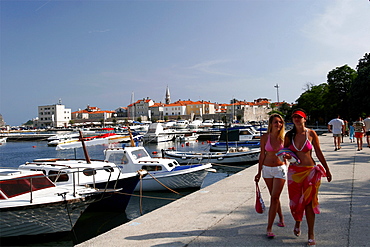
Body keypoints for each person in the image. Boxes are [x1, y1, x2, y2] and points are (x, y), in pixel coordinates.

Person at [284, 109, 332, 246]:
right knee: (295, 202)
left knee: (309, 203)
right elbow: (283, 152)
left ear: (305, 119)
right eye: (294, 117)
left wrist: (327, 170)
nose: (296, 119)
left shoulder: (311, 133)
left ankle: (311, 234)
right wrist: (286, 156)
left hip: (310, 171)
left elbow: (318, 152)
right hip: (294, 173)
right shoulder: (289, 135)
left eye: (299, 117)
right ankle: (298, 222)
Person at [254, 114, 286, 239]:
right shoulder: (264, 137)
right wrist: (259, 172)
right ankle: (281, 217)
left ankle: (269, 227)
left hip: (280, 169)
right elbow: (262, 155)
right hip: (267, 169)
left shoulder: (284, 138)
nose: (278, 124)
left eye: (280, 122)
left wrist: (288, 157)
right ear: (271, 124)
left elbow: (290, 153)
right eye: (276, 122)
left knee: (274, 197)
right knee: (274, 197)